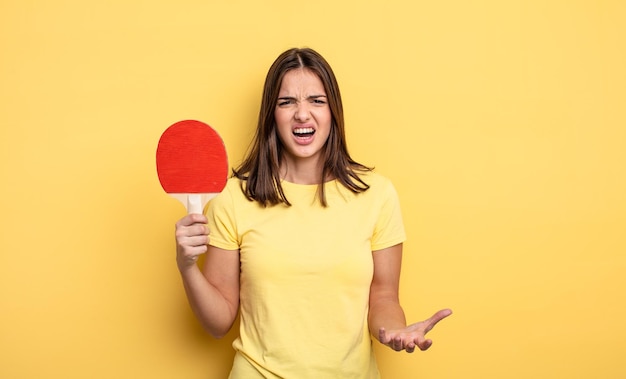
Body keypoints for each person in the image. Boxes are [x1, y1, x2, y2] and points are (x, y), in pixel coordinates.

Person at [174, 47, 452, 378]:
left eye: (316, 101)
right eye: (287, 102)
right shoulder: (233, 197)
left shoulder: (377, 195)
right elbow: (218, 323)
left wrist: (393, 332)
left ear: (333, 111)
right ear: (271, 115)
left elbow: (383, 296)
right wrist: (187, 266)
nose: (302, 114)